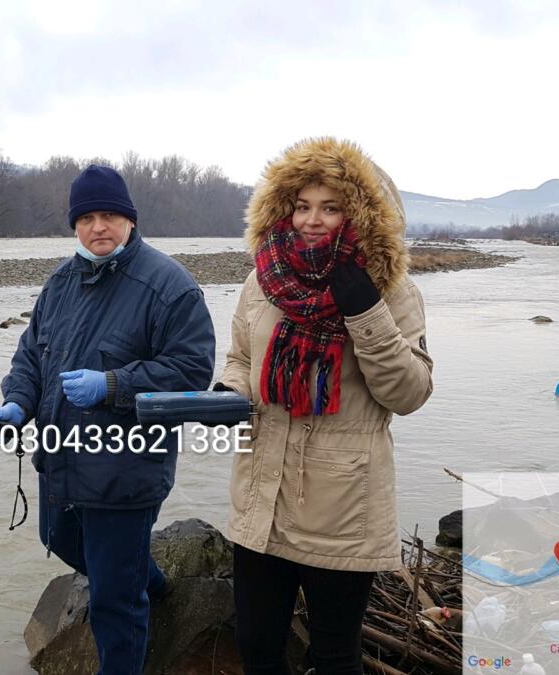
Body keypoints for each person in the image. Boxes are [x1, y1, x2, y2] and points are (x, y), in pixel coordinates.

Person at [0, 164, 216, 675]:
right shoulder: (61, 282)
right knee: (59, 540)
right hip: (61, 461)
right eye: (86, 218)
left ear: (130, 220)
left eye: (109, 215)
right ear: (75, 225)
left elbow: (192, 371)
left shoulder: (169, 285)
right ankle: (152, 584)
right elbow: (31, 356)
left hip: (125, 471)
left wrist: (112, 385)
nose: (98, 227)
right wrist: (18, 402)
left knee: (114, 602)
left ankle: (132, 607)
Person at [216, 137, 433, 675]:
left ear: (361, 216)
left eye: (330, 208)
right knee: (257, 649)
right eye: (302, 206)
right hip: (262, 497)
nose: (312, 221)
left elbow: (409, 393)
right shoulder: (262, 279)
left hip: (343, 506)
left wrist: (366, 312)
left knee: (335, 658)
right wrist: (228, 394)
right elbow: (241, 359)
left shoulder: (392, 290)